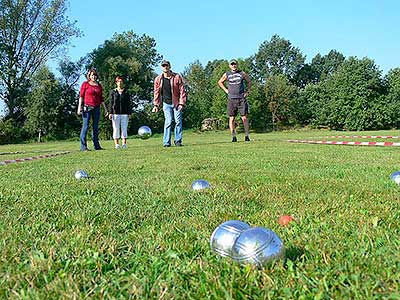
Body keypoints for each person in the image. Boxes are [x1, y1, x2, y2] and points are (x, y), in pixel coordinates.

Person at [152, 60, 186, 147]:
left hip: (176, 103)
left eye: (166, 65)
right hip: (166, 104)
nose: (165, 67)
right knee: (168, 122)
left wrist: (182, 103)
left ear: (170, 66)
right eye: (163, 66)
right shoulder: (158, 79)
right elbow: (156, 92)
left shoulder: (177, 77)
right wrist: (156, 105)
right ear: (161, 68)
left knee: (178, 122)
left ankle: (178, 141)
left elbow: (182, 90)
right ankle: (166, 142)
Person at [218, 59, 252, 142]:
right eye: (232, 64)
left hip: (241, 98)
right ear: (229, 66)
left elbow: (249, 82)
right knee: (232, 118)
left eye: (235, 64)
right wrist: (226, 90)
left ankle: (247, 136)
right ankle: (233, 136)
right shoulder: (227, 74)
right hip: (231, 99)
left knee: (244, 117)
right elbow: (220, 82)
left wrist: (248, 92)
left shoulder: (242, 73)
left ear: (237, 65)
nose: (233, 66)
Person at [77, 68, 108, 151]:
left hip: (96, 108)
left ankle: (96, 146)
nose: (93, 77)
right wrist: (79, 107)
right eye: (92, 75)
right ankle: (83, 147)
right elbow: (81, 96)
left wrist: (105, 109)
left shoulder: (99, 85)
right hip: (87, 108)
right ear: (89, 76)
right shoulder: (85, 84)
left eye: (95, 75)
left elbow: (101, 98)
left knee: (95, 127)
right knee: (85, 127)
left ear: (96, 76)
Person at [108, 76, 132, 149]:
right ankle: (117, 144)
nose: (120, 83)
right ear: (116, 82)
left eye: (121, 81)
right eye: (118, 81)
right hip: (115, 113)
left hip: (124, 113)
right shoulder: (113, 92)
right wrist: (110, 113)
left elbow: (129, 103)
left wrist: (129, 113)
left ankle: (124, 144)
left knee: (124, 129)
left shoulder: (126, 92)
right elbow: (111, 103)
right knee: (116, 129)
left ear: (123, 82)